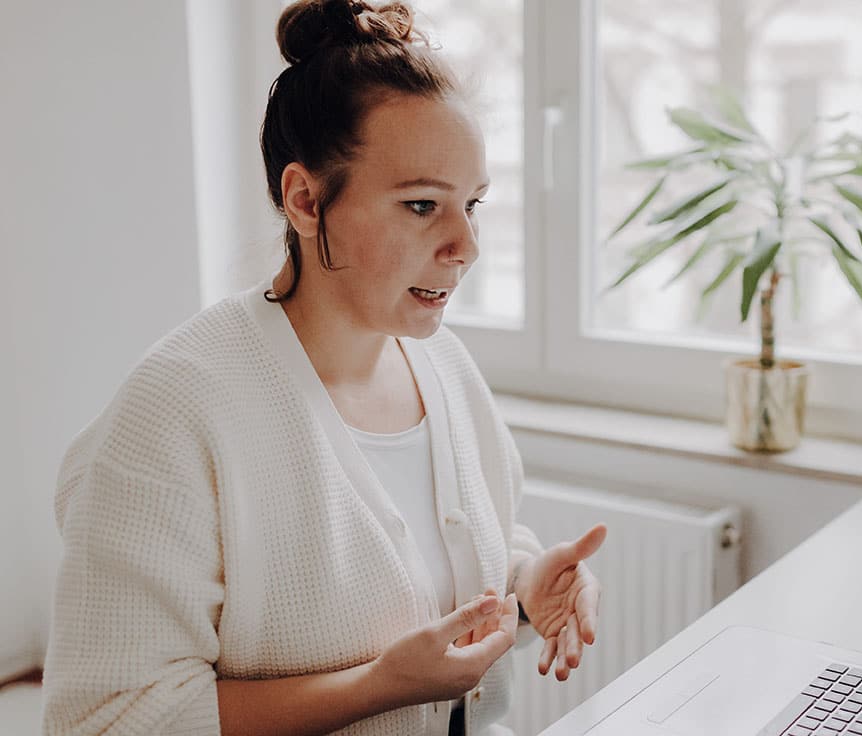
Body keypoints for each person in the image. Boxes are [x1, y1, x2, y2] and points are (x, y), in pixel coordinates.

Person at [41, 1, 606, 734]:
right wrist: (377, 686)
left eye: (472, 204)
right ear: (306, 201)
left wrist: (530, 585)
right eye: (421, 205)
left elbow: (463, 566)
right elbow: (108, 717)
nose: (465, 243)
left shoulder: (447, 367)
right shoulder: (178, 410)